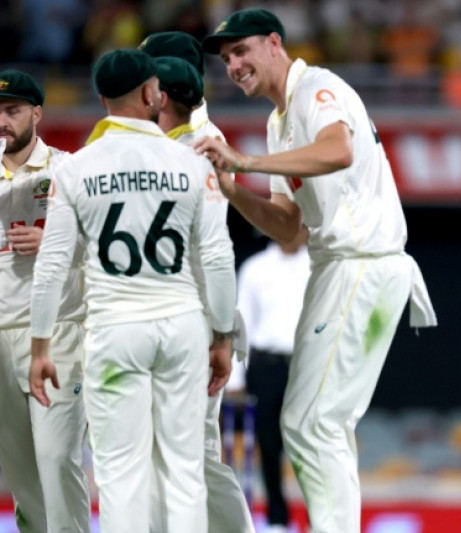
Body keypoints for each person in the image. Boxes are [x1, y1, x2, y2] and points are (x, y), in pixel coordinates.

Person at [195, 8, 437, 532]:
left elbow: (338, 148)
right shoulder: (277, 121)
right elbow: (287, 229)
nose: (234, 65)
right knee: (308, 423)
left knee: (314, 422)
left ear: (275, 43)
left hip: (362, 265)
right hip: (335, 267)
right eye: (227, 58)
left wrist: (246, 163)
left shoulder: (318, 88)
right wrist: (234, 188)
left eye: (242, 51)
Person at [28, 49, 235, 533]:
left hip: (115, 330)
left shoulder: (75, 167)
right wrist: (222, 336)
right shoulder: (190, 163)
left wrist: (41, 345)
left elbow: (53, 263)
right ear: (151, 94)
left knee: (121, 474)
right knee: (184, 469)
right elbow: (218, 259)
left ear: (102, 98)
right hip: (181, 325)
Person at [143, 32, 256, 533]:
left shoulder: (197, 145)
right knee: (175, 454)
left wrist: (220, 334)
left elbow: (215, 252)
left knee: (193, 454)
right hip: (180, 316)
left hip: (197, 318)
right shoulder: (171, 137)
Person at [0, 69, 91, 533]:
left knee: (57, 459)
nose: (3, 121)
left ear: (36, 113)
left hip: (58, 333)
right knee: (22, 477)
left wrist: (54, 244)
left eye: (12, 111)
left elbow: (103, 248)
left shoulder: (68, 170)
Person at [237, 226, 310, 533]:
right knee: (268, 443)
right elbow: (242, 321)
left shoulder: (318, 265)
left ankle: (318, 517)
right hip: (266, 364)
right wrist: (235, 378)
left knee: (309, 444)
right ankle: (278, 518)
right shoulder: (255, 269)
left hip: (307, 363)